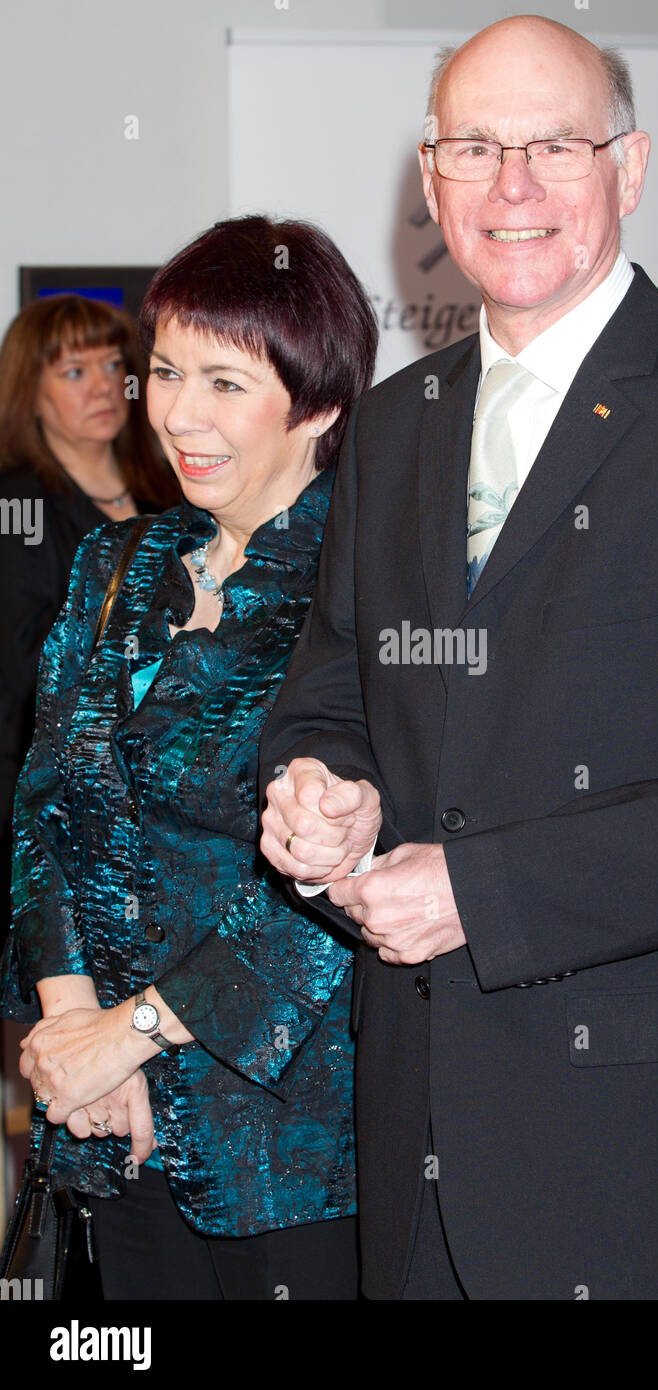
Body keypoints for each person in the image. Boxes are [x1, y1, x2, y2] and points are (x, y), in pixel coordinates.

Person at [259, 16, 658, 1300]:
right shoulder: (392, 426)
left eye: (554, 145)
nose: (511, 184)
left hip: (633, 1144)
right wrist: (321, 786)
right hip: (413, 1116)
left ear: (629, 170)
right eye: (473, 147)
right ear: (429, 181)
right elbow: (331, 685)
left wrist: (481, 889)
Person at [0, 215, 378, 1299]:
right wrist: (73, 1020)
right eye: (165, 370)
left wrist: (134, 1032)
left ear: (317, 402)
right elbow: (44, 806)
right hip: (110, 1123)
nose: (176, 413)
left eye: (224, 381)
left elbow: (330, 887)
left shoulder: (365, 588)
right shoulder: (120, 561)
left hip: (293, 1142)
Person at [0, 295, 179, 921]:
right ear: (32, 389)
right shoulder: (18, 505)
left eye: (112, 365)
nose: (104, 386)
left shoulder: (170, 487)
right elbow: (25, 666)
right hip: (56, 795)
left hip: (164, 788)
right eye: (75, 372)